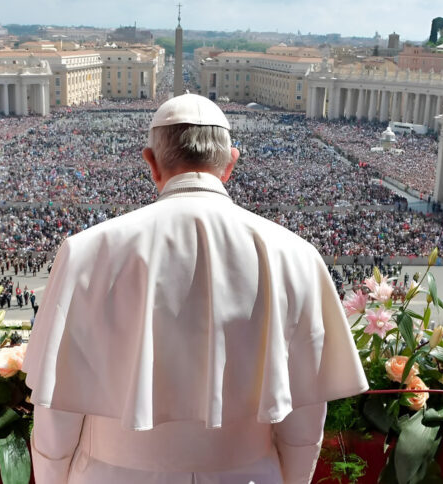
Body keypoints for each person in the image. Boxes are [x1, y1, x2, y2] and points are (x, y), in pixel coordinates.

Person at [23, 94, 368, 484]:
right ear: (230, 164)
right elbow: (304, 420)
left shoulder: (85, 252)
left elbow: (56, 410)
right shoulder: (296, 255)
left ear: (151, 162)